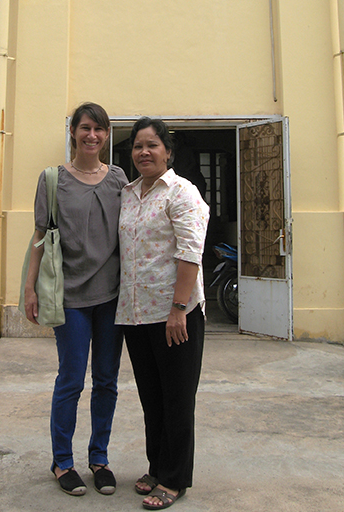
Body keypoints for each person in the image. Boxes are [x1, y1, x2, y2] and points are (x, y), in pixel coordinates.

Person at [24, 102, 128, 497]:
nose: (92, 136)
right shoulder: (53, 180)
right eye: (85, 128)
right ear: (73, 131)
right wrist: (31, 288)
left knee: (107, 381)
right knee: (71, 379)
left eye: (99, 129)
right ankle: (62, 461)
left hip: (112, 298)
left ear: (106, 134)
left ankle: (99, 458)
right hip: (70, 296)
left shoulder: (119, 178)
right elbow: (39, 237)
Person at [116, 117, 210, 510]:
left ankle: (175, 479)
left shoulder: (182, 193)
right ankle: (157, 467)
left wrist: (178, 309)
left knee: (176, 398)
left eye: (152, 145)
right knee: (151, 398)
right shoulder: (129, 193)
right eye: (138, 145)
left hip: (175, 315)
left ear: (167, 151)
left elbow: (190, 251)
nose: (144, 152)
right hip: (136, 315)